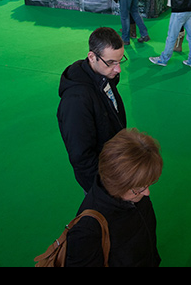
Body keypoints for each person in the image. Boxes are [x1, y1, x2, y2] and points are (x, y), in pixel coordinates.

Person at [65, 128, 162, 267]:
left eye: (148, 184)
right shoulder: (87, 231)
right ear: (119, 183)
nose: (147, 193)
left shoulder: (136, 194)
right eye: (140, 188)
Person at [58, 27, 127, 193]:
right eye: (111, 62)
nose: (118, 69)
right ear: (92, 57)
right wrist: (103, 190)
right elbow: (82, 158)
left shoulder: (102, 75)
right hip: (102, 182)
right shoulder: (76, 101)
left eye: (120, 61)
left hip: (114, 165)